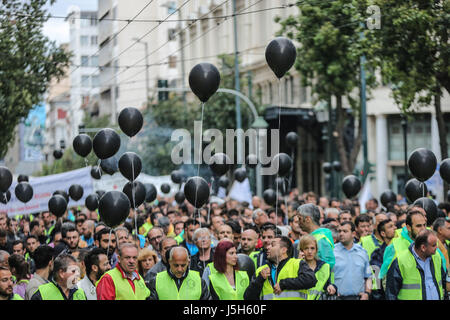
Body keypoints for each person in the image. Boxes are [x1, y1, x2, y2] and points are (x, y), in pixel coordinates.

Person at [244, 235, 317, 300]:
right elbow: (248, 297)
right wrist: (260, 279)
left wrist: (283, 284)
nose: (268, 247)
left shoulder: (297, 263)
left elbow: (311, 280)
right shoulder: (261, 270)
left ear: (283, 250)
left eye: (272, 245)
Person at [385, 229, 447, 300]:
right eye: (433, 245)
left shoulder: (437, 256)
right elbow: (391, 293)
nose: (437, 247)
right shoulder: (401, 261)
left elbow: (444, 282)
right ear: (423, 248)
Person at [379, 209, 428, 280]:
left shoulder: (431, 242)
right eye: (418, 226)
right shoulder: (394, 247)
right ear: (408, 227)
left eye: (424, 225)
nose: (423, 229)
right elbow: (385, 279)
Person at [333, 221, 372, 300]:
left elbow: (368, 277)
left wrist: (367, 293)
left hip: (358, 297)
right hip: (337, 297)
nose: (341, 234)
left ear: (353, 234)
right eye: (339, 231)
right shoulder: (332, 252)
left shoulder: (362, 252)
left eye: (345, 231)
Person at [297, 203, 335, 269]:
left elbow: (328, 264)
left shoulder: (321, 238)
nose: (298, 222)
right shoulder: (315, 236)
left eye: (300, 219)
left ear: (308, 219)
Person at [298, 235, 336, 300]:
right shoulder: (295, 265)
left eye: (312, 248)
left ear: (316, 250)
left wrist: (332, 286)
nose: (309, 251)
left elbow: (330, 283)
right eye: (306, 248)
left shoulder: (325, 266)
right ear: (301, 251)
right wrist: (298, 262)